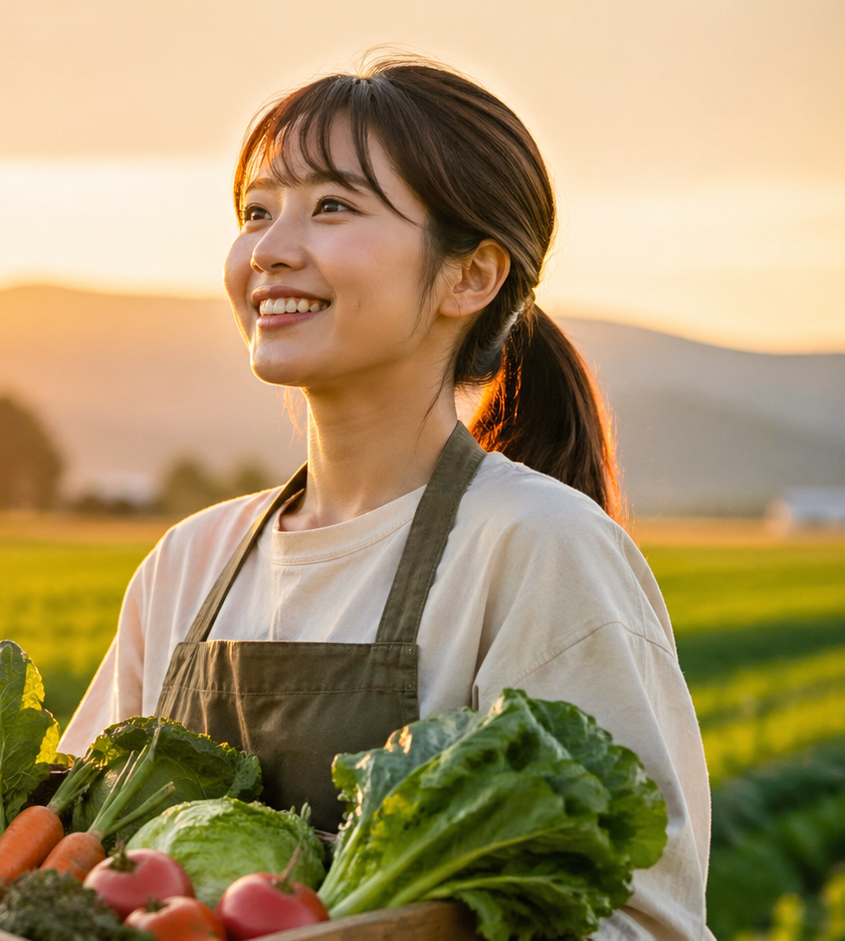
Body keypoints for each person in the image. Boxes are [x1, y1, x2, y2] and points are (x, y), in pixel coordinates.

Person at [58, 56, 711, 940]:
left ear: (470, 276)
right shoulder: (193, 559)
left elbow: (642, 919)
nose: (270, 249)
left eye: (332, 206)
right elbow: (74, 848)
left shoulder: (537, 547)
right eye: (256, 211)